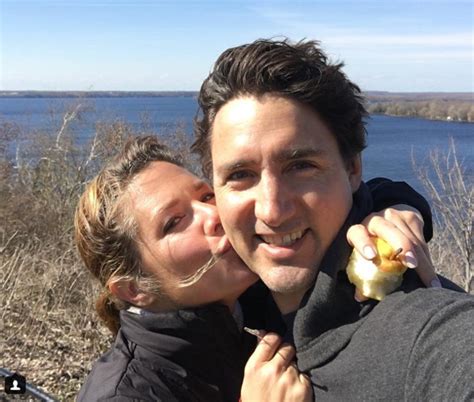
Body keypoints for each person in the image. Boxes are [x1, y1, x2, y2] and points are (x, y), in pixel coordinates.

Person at [192, 38, 474, 400]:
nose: (271, 210)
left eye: (301, 166)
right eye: (240, 175)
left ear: (353, 168)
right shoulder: (234, 305)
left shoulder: (424, 333)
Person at [76, 136, 440, 401]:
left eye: (205, 196)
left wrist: (398, 211)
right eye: (173, 222)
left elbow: (355, 196)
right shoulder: (128, 394)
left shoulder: (247, 296)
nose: (214, 214)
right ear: (133, 290)